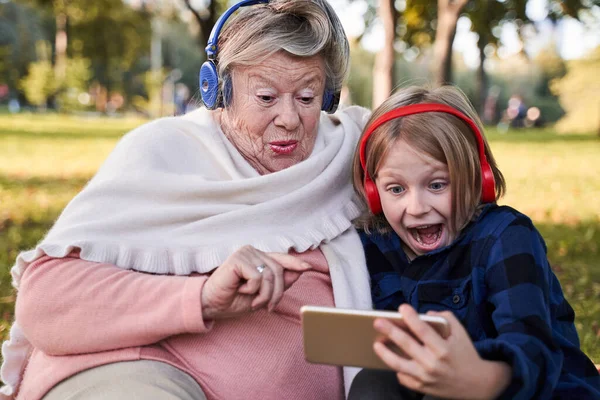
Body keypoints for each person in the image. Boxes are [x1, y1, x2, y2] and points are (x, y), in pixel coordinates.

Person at [0, 1, 373, 399]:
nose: (288, 118)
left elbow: (435, 149)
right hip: (133, 373)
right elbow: (47, 300)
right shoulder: (165, 151)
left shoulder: (348, 154)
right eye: (265, 97)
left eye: (306, 97)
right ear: (219, 90)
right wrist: (201, 298)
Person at [348, 86, 600, 399]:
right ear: (373, 193)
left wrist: (481, 380)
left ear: (478, 179)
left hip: (532, 391)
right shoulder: (371, 245)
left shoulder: (506, 237)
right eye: (396, 189)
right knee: (372, 385)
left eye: (437, 184)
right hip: (428, 387)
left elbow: (532, 346)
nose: (416, 207)